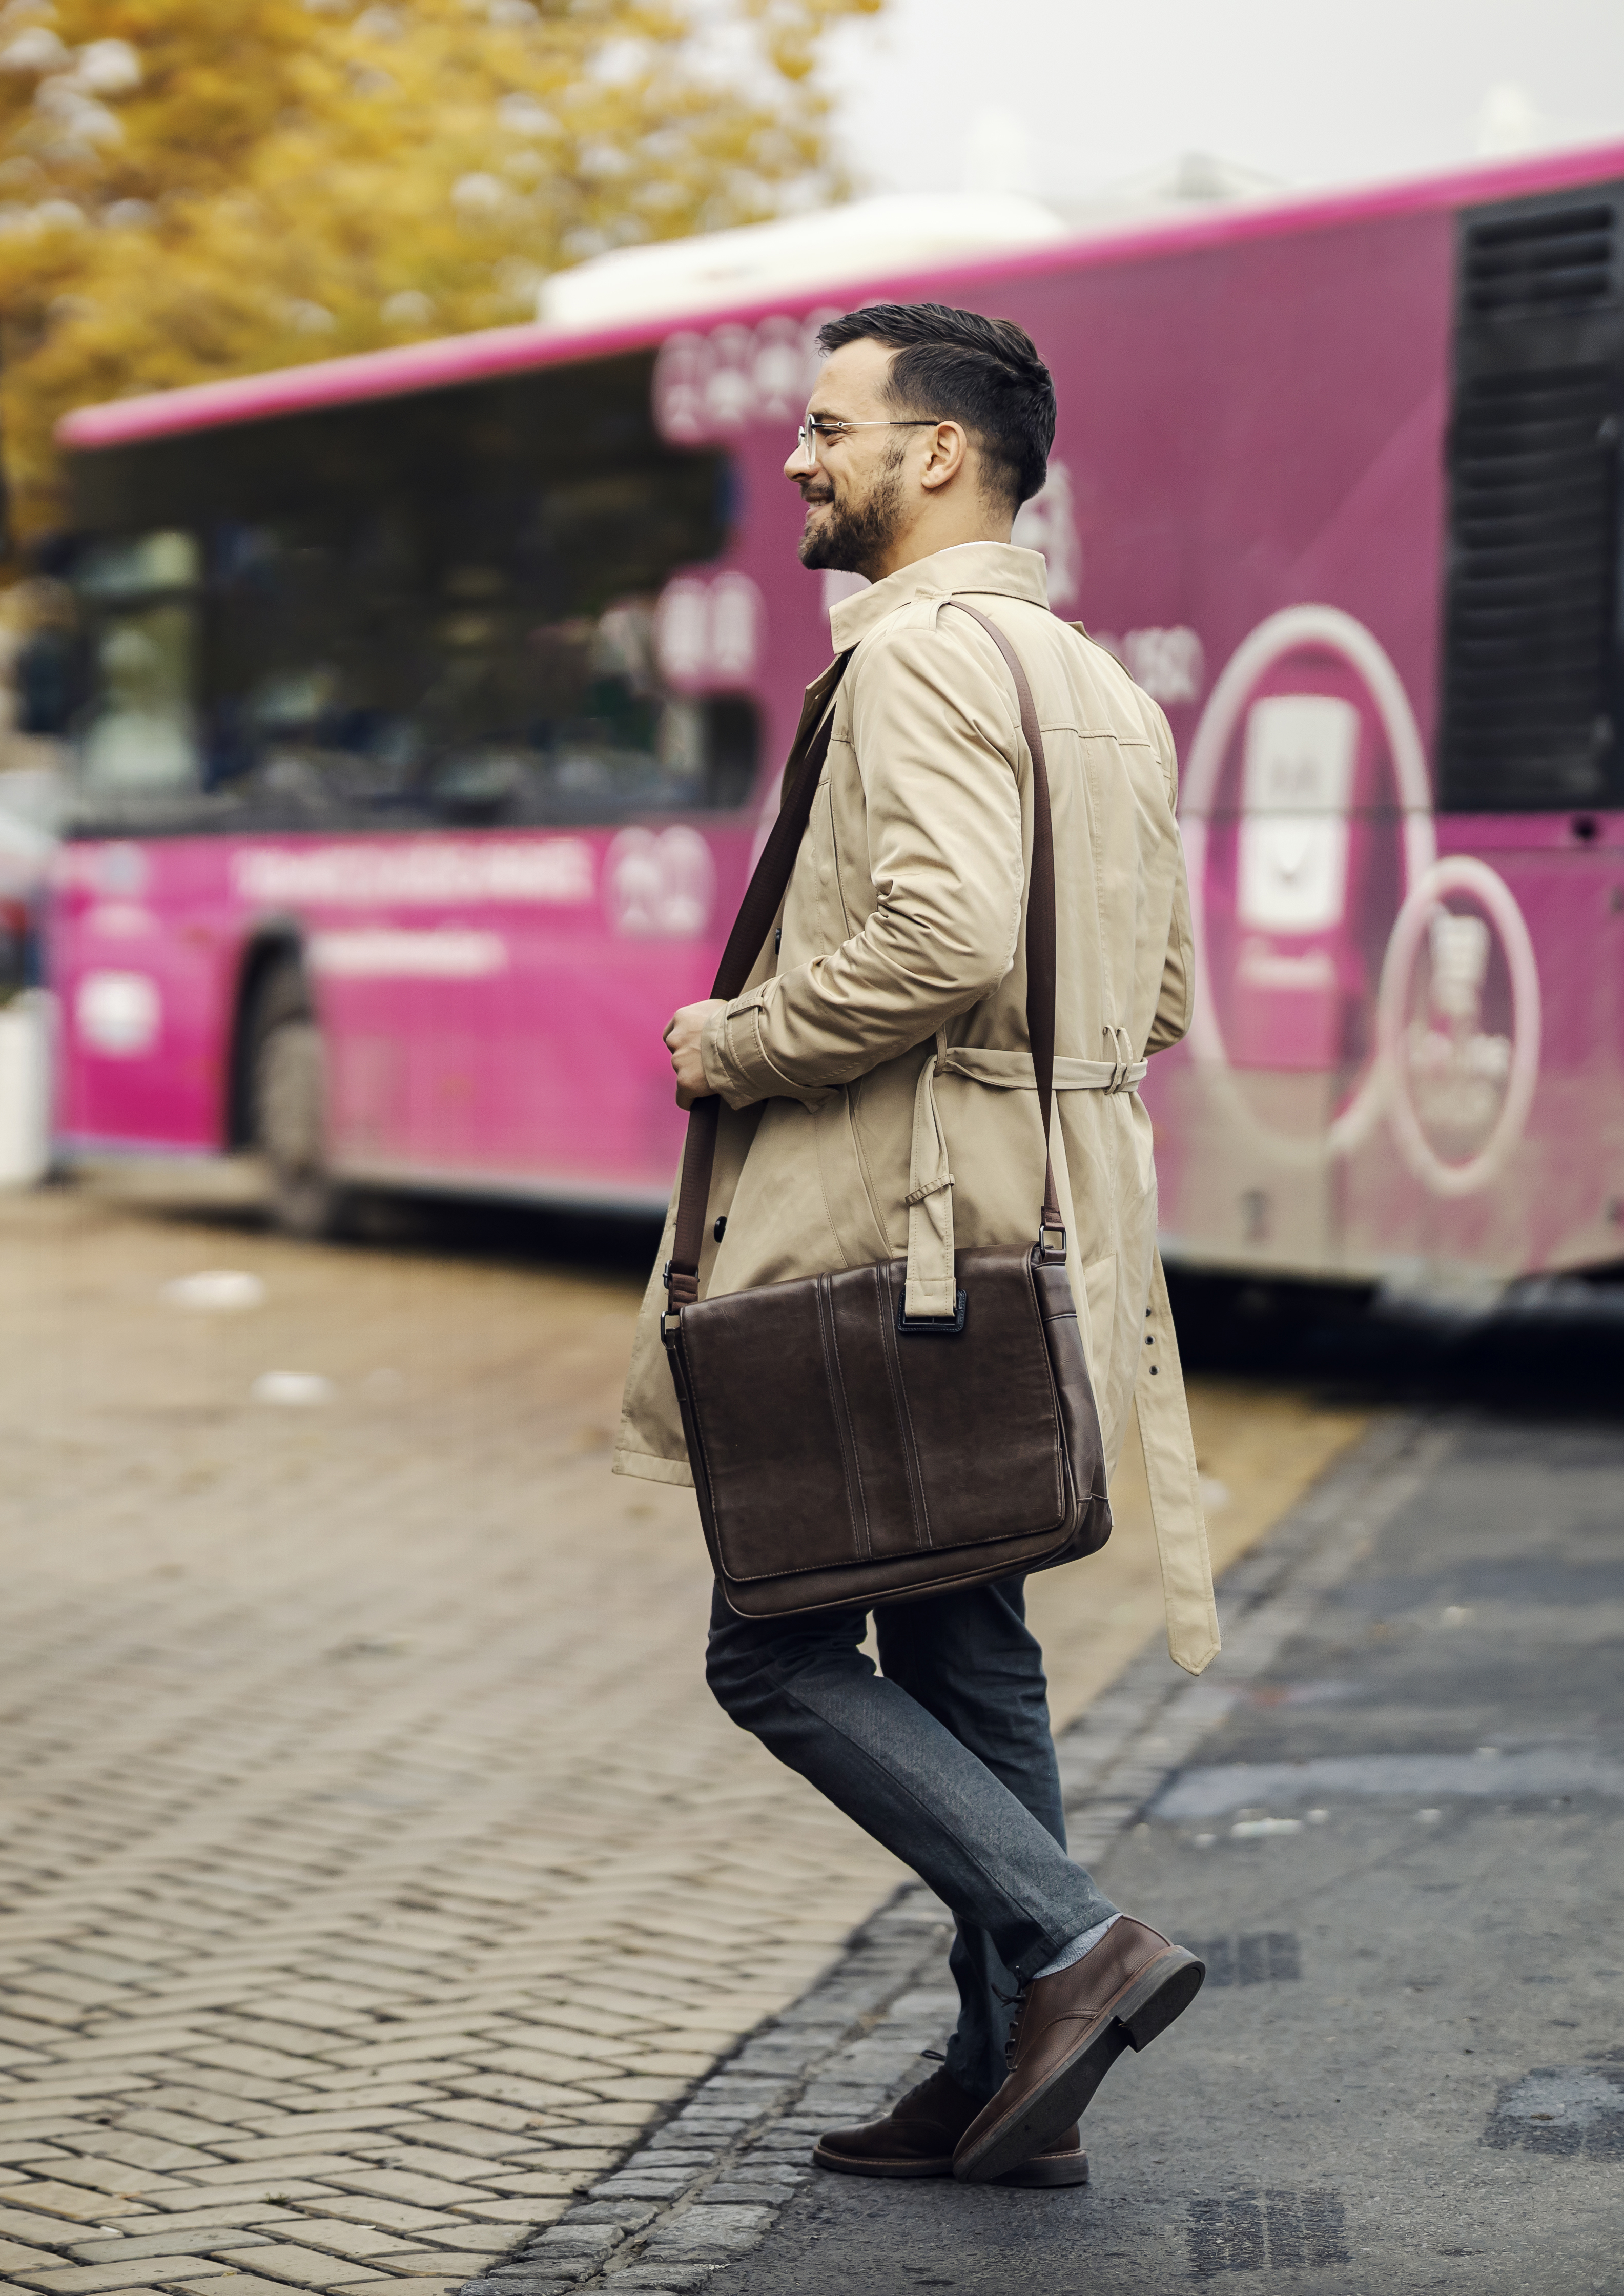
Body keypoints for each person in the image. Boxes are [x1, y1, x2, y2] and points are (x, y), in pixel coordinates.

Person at [611, 303, 1218, 2189]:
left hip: (911, 1231)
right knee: (965, 1636)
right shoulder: (1098, 685)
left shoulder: (913, 666)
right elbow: (1168, 992)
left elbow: (943, 939)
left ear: (936, 453)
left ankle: (1070, 1943)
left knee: (773, 1644)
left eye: (828, 427)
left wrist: (737, 1038)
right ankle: (995, 2078)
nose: (796, 461)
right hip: (1051, 1231)